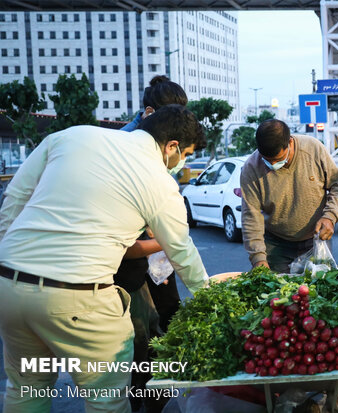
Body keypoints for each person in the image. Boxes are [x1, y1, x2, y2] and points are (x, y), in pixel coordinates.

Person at [0, 104, 208, 413]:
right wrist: (210, 295)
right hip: (78, 299)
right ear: (172, 146)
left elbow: (14, 199)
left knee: (26, 389)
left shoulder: (70, 136)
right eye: (187, 154)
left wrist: (11, 259)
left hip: (10, 287)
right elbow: (181, 250)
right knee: (105, 399)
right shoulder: (160, 182)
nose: (183, 162)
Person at [117, 75, 189, 413]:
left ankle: (156, 396)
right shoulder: (124, 146)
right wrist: (164, 239)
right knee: (139, 336)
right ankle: (143, 399)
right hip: (130, 259)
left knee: (169, 320)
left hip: (158, 257)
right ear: (149, 113)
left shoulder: (162, 143)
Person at [240, 119, 338, 272]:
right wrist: (258, 258)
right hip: (276, 244)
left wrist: (330, 216)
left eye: (278, 160)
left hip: (316, 238)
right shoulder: (251, 168)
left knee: (318, 290)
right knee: (277, 291)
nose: (273, 166)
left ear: (290, 142)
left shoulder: (313, 149)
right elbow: (251, 216)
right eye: (267, 161)